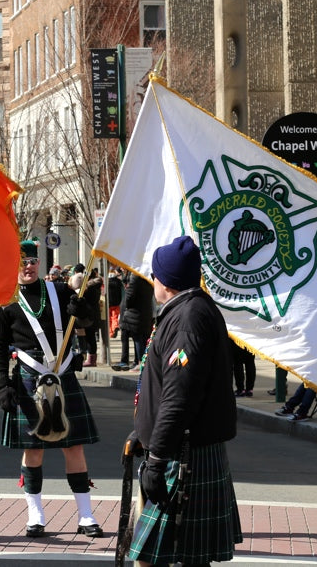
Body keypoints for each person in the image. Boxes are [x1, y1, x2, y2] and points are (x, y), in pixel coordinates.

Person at [128, 236, 241, 566]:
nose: (153, 281)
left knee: (149, 559)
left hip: (183, 454)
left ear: (166, 280)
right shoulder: (189, 310)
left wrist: (158, 456)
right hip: (183, 449)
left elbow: (179, 397)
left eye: (156, 275)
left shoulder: (187, 320)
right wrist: (143, 431)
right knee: (192, 558)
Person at [0, 240, 103, 539]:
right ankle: (35, 516)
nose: (27, 267)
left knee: (73, 447)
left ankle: (86, 515)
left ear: (38, 264)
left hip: (63, 376)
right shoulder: (5, 302)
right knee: (33, 450)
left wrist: (84, 309)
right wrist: (3, 385)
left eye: (31, 261)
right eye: (21, 262)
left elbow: (88, 321)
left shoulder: (61, 290)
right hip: (29, 379)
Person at [116, 272, 154, 371]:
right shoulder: (147, 279)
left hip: (134, 313)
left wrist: (126, 306)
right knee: (142, 338)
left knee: (137, 338)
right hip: (145, 312)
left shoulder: (135, 278)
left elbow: (129, 297)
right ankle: (140, 361)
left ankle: (140, 362)